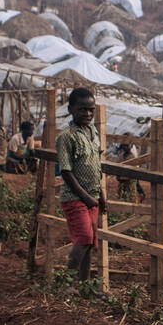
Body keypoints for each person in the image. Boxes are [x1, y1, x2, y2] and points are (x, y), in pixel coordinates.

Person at [56, 88, 104, 283]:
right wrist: (85, 197)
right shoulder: (66, 136)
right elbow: (66, 172)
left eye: (91, 110)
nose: (87, 114)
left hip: (92, 197)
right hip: (75, 197)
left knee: (90, 243)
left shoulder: (93, 132)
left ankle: (84, 286)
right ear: (70, 109)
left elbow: (96, 166)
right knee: (83, 238)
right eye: (82, 109)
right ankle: (68, 284)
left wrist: (101, 194)